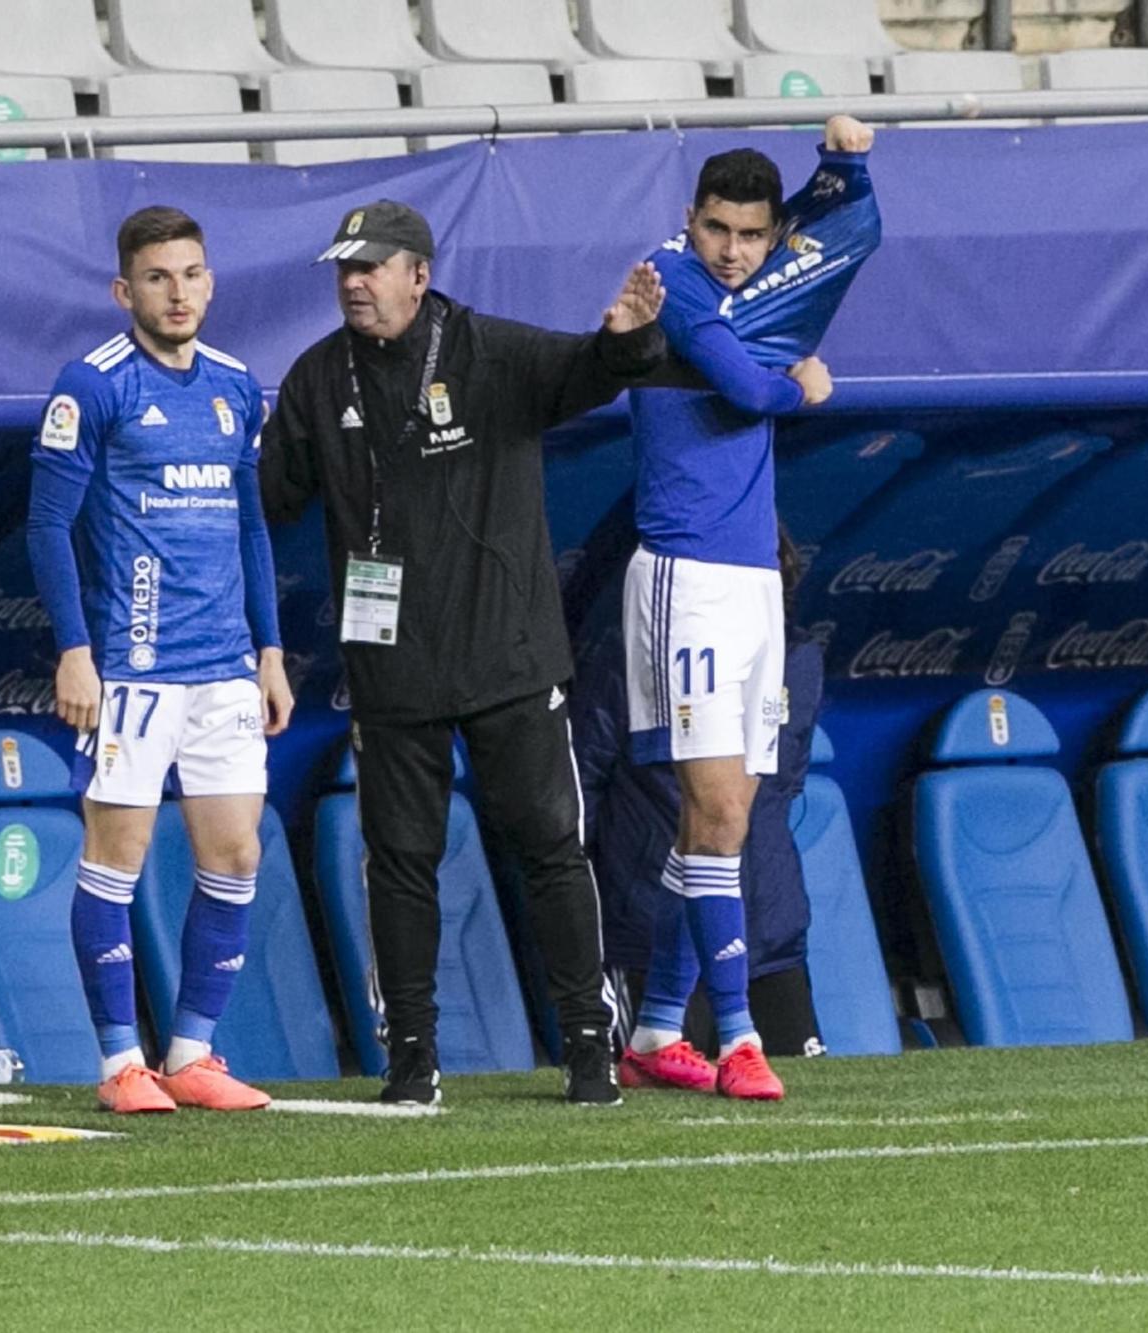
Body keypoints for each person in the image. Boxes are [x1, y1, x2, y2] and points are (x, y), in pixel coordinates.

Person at [260, 199, 667, 1106]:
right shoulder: (318, 378)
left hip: (508, 654)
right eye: (344, 270)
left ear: (419, 273)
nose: (354, 284)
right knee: (400, 860)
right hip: (393, 666)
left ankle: (588, 1046)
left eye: (371, 268)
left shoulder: (487, 351)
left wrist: (626, 340)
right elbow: (268, 499)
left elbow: (583, 371)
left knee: (551, 847)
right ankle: (411, 1058)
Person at [620, 116, 880, 1099]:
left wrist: (842, 166)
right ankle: (735, 1038)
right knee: (717, 808)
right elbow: (739, 389)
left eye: (750, 236)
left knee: (721, 822)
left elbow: (840, 236)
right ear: (689, 221)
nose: (731, 251)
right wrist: (799, 385)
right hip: (683, 576)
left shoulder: (754, 287)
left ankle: (652, 1028)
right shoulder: (668, 279)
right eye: (717, 228)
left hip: (750, 590)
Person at [27, 205, 294, 1115]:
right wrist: (75, 650)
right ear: (123, 290)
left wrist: (270, 649)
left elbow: (252, 525)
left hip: (225, 667)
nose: (177, 293)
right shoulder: (91, 384)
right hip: (133, 665)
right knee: (120, 852)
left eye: (191, 275)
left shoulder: (235, 386)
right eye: (157, 277)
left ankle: (192, 1051)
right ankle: (118, 1063)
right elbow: (48, 524)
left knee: (234, 852)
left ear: (210, 282)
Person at [575, 524, 827, 1066]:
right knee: (658, 1109)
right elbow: (580, 788)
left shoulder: (798, 660)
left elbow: (788, 779)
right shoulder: (631, 657)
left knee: (797, 1106)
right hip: (653, 932)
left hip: (769, 930)